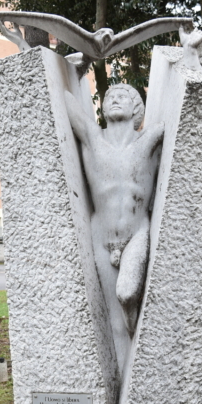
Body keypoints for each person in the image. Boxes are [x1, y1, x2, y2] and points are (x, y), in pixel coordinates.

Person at [65, 84, 163, 376]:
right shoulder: (94, 138)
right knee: (114, 322)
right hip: (101, 236)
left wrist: (191, 56)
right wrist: (77, 71)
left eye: (123, 96)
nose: (114, 99)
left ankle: (139, 336)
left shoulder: (150, 137)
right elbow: (66, 99)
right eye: (109, 97)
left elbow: (185, 109)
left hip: (136, 233)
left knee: (127, 293)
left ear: (136, 109)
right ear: (102, 110)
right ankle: (127, 384)